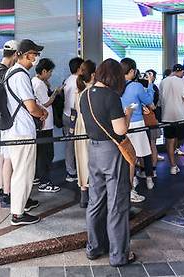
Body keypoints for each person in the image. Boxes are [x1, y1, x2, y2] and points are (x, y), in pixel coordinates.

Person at [80, 58, 136, 267]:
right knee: (117, 203)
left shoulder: (85, 94)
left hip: (93, 151)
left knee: (95, 200)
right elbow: (120, 130)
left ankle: (94, 247)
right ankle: (119, 255)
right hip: (112, 152)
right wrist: (128, 114)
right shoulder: (111, 96)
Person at [4, 39, 48, 225]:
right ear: (26, 54)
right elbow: (30, 107)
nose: (36, 57)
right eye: (34, 54)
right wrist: (42, 113)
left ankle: (17, 209)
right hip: (22, 131)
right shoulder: (21, 75)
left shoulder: (10, 72)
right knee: (23, 172)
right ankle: (18, 214)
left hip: (14, 130)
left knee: (19, 172)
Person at [120, 58, 154, 200]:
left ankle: (130, 182)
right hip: (137, 124)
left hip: (121, 124)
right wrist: (151, 84)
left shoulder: (115, 85)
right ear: (132, 71)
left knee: (126, 157)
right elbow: (148, 100)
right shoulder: (136, 86)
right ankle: (145, 181)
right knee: (140, 154)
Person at [0, 40, 19, 208]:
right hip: (6, 121)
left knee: (3, 156)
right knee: (8, 158)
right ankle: (8, 195)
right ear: (16, 54)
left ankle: (2, 190)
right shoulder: (7, 73)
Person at [32, 58, 61, 193]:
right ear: (43, 71)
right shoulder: (40, 84)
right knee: (47, 154)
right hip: (45, 124)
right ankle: (45, 182)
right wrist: (55, 92)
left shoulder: (34, 81)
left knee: (40, 153)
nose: (50, 74)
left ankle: (38, 177)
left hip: (38, 124)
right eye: (49, 72)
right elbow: (47, 103)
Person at [159, 64, 184, 175]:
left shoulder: (163, 82)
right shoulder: (180, 81)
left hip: (167, 116)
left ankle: (173, 166)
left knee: (170, 141)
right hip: (181, 116)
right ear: (181, 71)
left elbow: (161, 99)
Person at [74, 60, 96, 208]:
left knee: (81, 159)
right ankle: (95, 194)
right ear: (94, 74)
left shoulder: (79, 91)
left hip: (79, 128)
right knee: (94, 160)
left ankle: (83, 194)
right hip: (91, 128)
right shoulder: (94, 92)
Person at [63, 57, 84, 183]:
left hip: (66, 114)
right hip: (75, 116)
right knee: (80, 144)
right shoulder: (79, 81)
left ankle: (70, 172)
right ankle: (81, 172)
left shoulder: (67, 80)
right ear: (78, 69)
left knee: (69, 145)